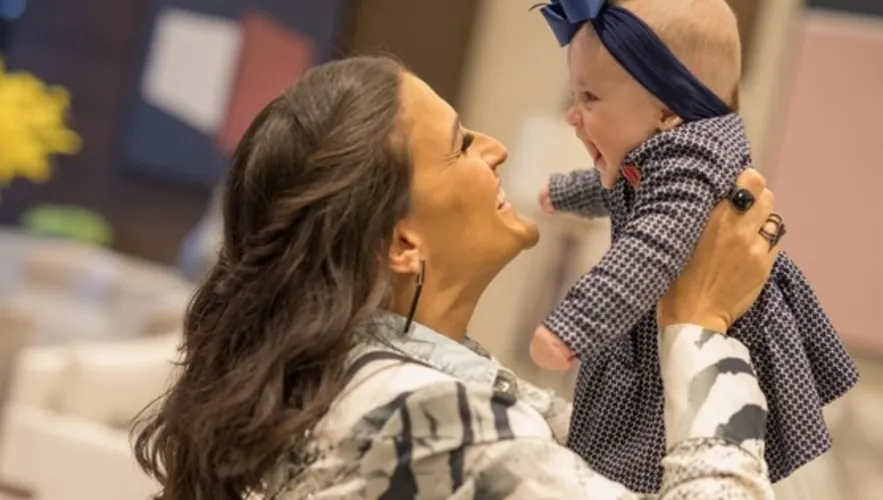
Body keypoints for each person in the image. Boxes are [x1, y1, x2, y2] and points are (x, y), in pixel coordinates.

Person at [131, 55, 781, 499]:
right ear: (403, 243)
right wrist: (700, 329)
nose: (494, 146)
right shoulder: (419, 416)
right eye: (460, 144)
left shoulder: (377, 388)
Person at [527, 0, 859, 490]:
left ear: (665, 110)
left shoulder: (688, 167)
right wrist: (565, 192)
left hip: (717, 348)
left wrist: (574, 326)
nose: (573, 117)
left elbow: (648, 247)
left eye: (590, 97)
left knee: (651, 452)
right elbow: (617, 189)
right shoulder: (666, 156)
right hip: (676, 332)